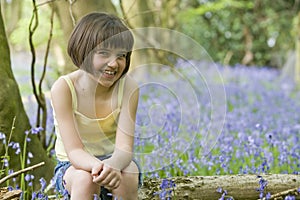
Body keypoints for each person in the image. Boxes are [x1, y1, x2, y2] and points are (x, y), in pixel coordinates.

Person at [51, 12, 140, 200]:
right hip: (73, 166)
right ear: (84, 51)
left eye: (121, 55)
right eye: (104, 53)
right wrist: (99, 169)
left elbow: (124, 148)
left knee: (129, 174)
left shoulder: (129, 87)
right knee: (85, 180)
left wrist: (113, 164)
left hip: (116, 161)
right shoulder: (64, 88)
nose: (114, 63)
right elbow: (74, 151)